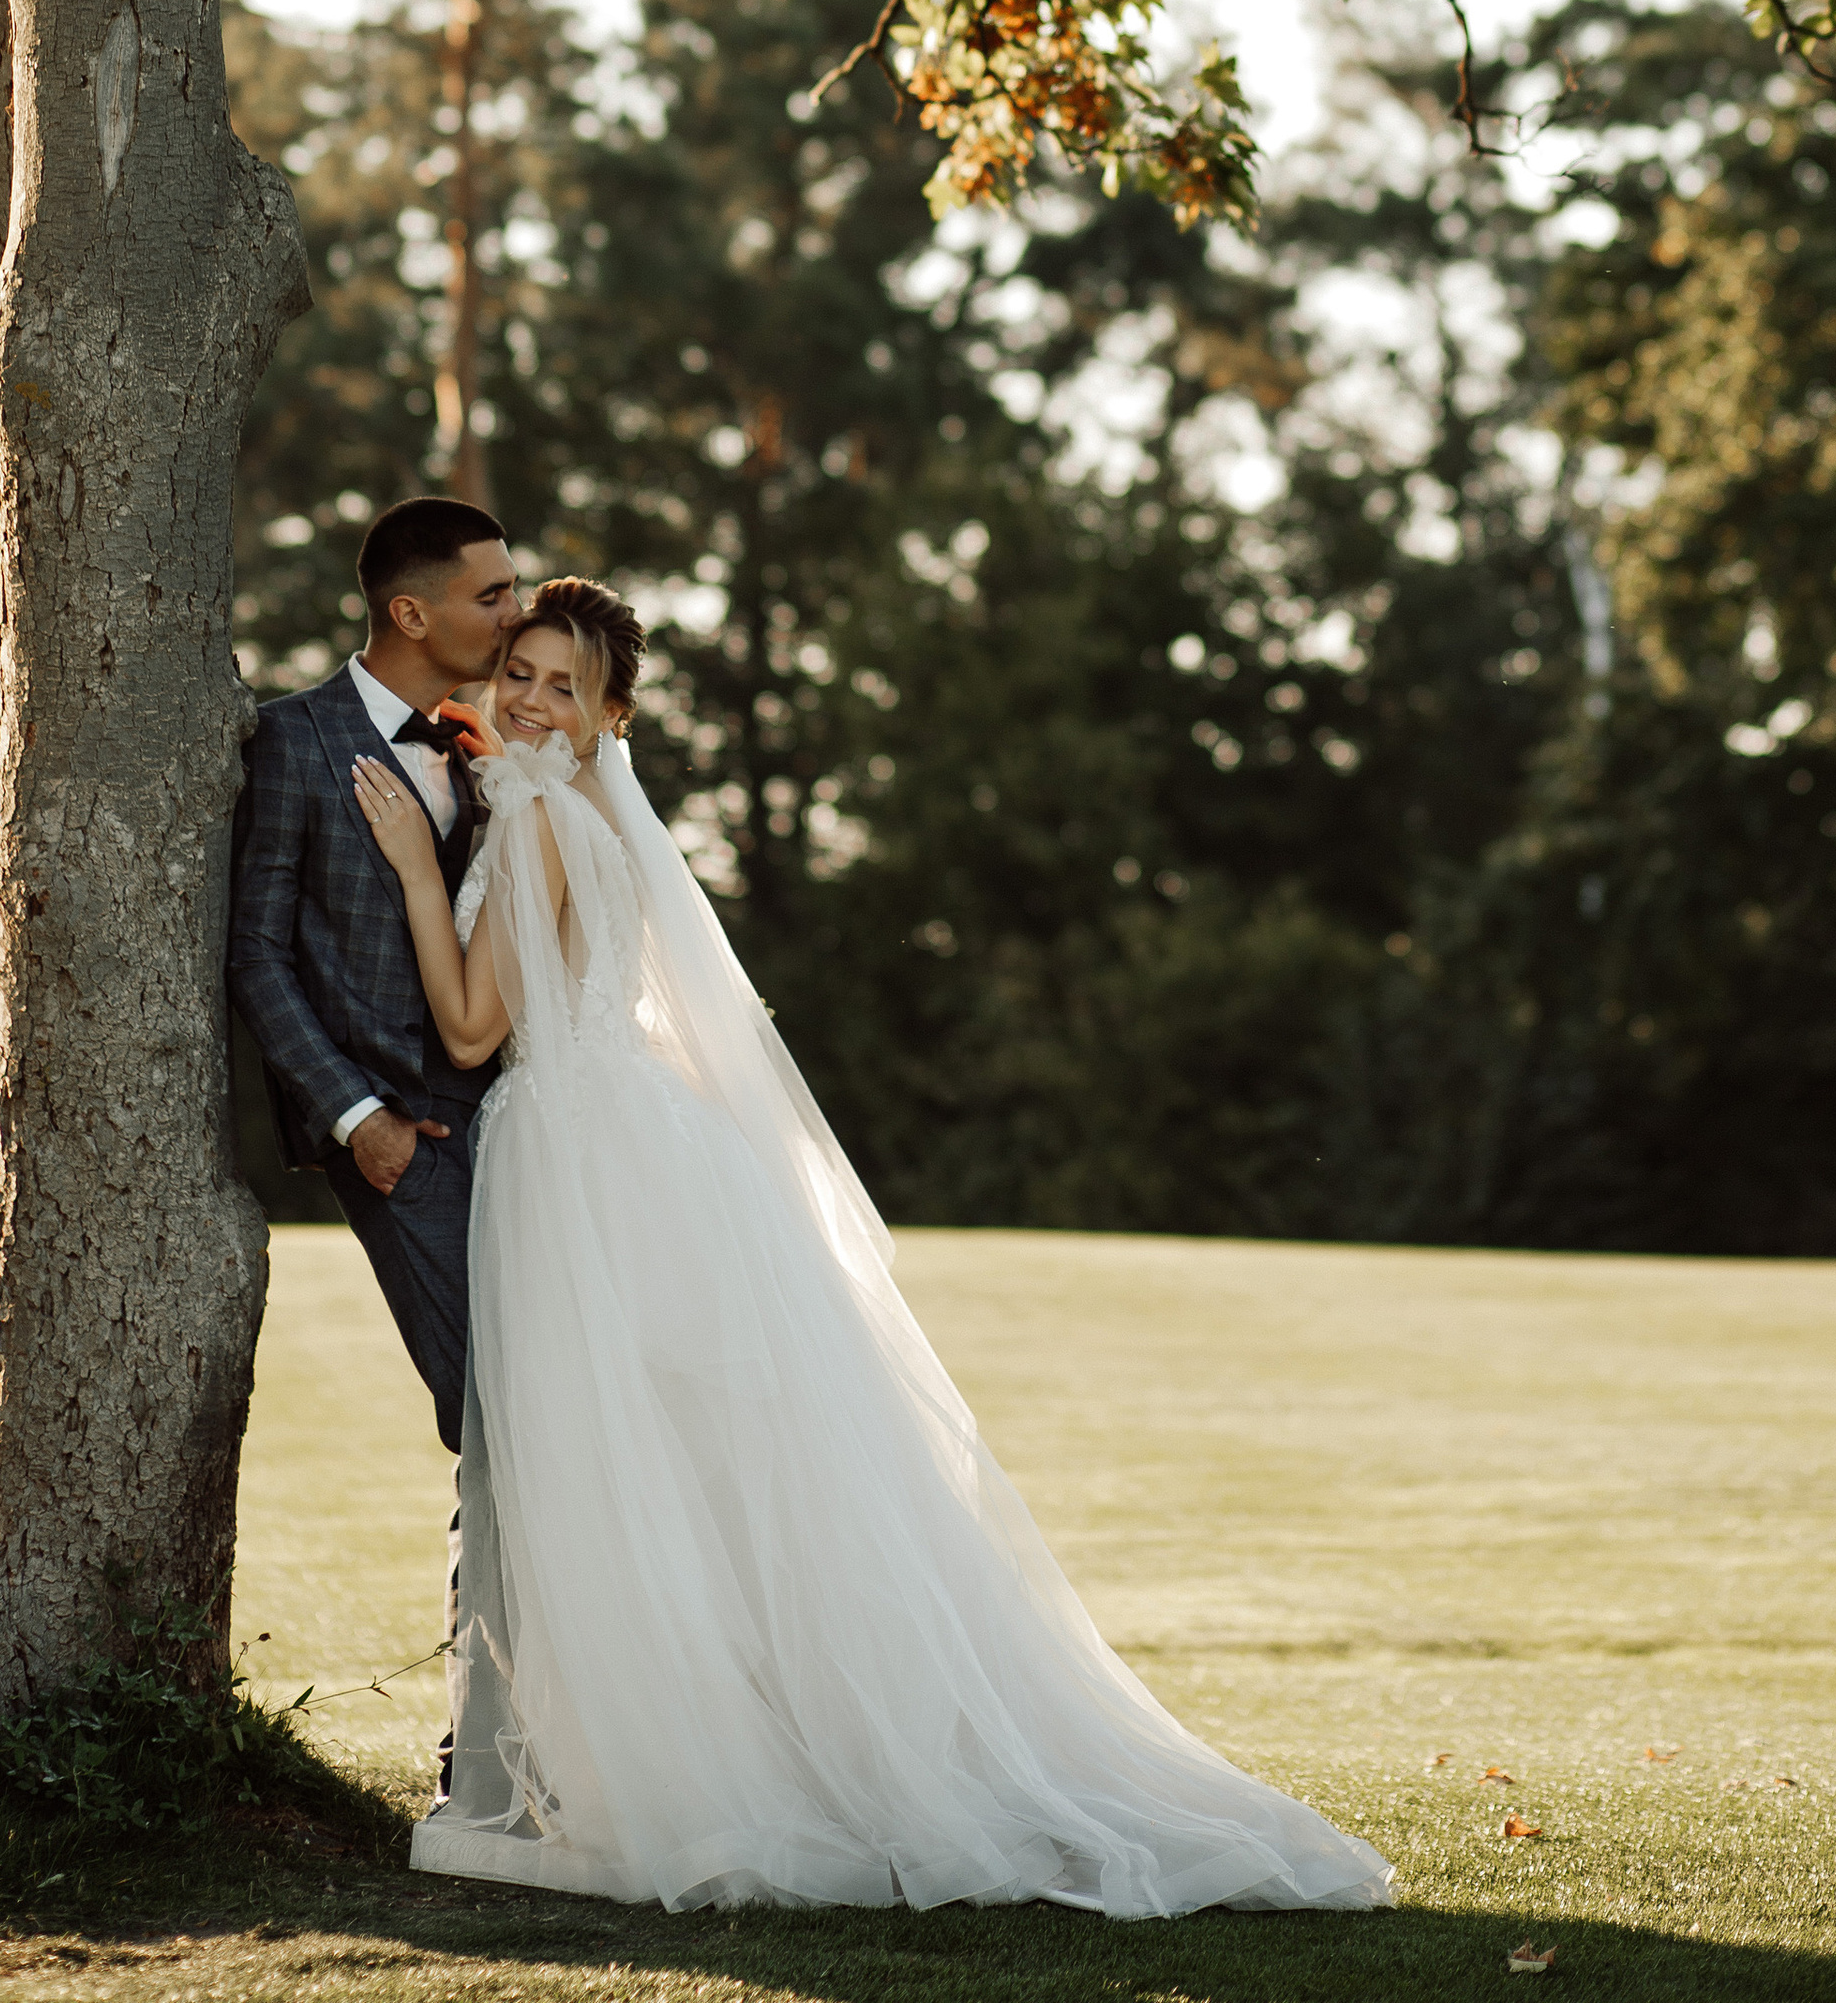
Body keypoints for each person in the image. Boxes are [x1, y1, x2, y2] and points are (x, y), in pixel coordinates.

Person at [350, 581, 1392, 1918]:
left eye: (564, 685)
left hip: (575, 1156)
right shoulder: (603, 812)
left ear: (613, 712)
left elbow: (477, 1029)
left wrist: (413, 876)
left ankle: (659, 1773)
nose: (530, 701)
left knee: (607, 1465)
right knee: (675, 1473)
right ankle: (712, 1749)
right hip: (636, 1138)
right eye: (522, 674)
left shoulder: (550, 813)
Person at [228, 496, 523, 1453]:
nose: (513, 614)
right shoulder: (292, 740)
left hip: (518, 1124)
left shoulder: (488, 750)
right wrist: (360, 1122)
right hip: (402, 1135)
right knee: (488, 1405)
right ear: (411, 613)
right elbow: (255, 955)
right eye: (493, 595)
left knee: (550, 1384)